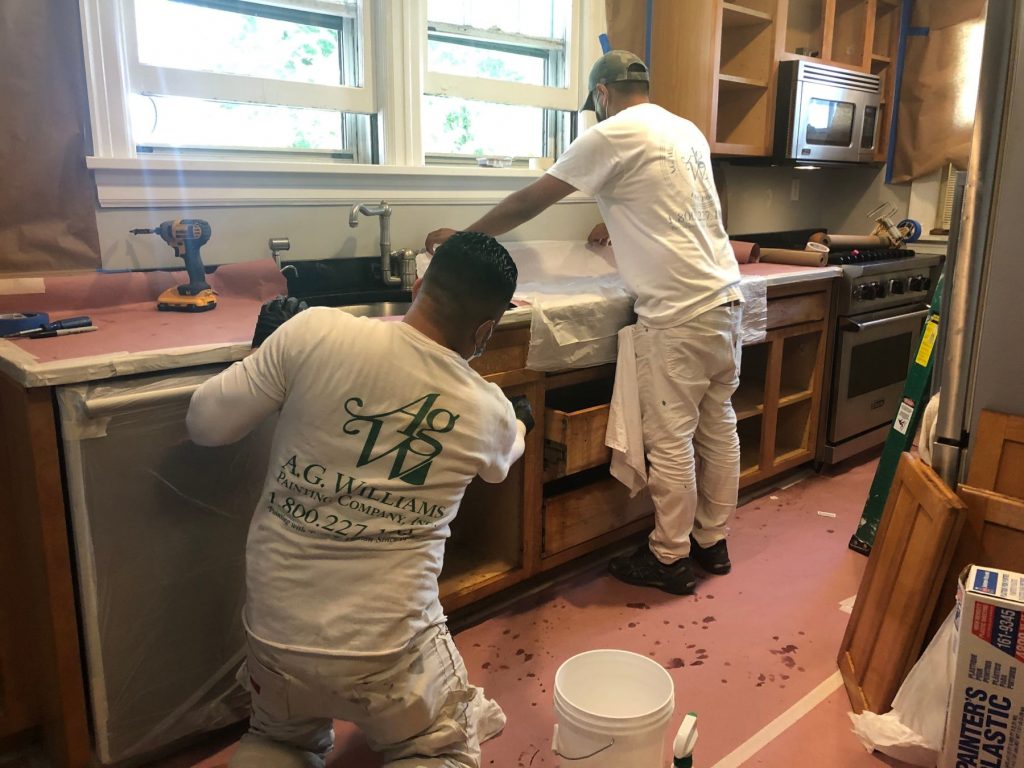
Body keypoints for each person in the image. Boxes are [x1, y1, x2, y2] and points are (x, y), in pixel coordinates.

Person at [186, 232, 533, 768]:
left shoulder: (313, 332)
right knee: (437, 747)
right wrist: (519, 421)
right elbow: (503, 460)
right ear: (486, 331)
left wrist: (267, 357)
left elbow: (205, 425)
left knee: (277, 740)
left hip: (277, 639)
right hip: (391, 652)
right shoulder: (487, 410)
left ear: (418, 285)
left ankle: (279, 743)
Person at [425, 51, 742, 596]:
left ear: (600, 96)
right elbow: (675, 205)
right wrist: (617, 215)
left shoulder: (611, 134)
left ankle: (669, 558)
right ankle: (712, 542)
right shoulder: (684, 129)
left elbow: (532, 200)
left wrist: (465, 240)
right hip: (724, 301)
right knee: (719, 427)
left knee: (671, 442)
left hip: (677, 313)